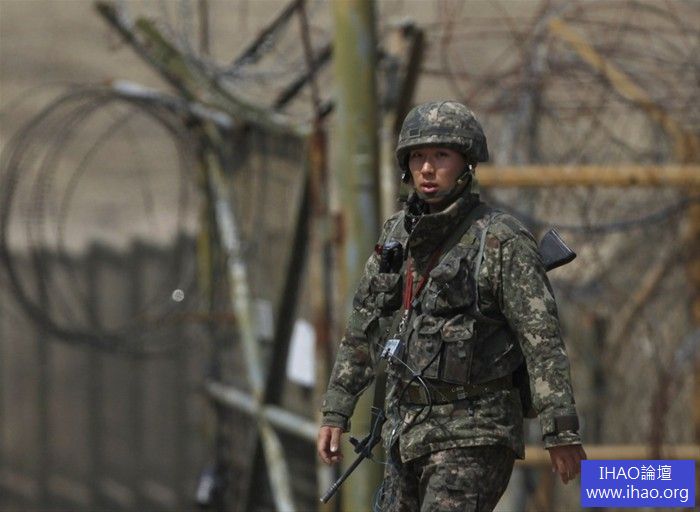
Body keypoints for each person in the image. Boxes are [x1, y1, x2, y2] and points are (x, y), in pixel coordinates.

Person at [317, 101, 586, 511]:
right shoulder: (397, 235)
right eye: (418, 157)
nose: (427, 169)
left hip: (475, 432)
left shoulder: (500, 239)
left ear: (466, 163)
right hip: (406, 431)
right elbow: (364, 327)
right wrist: (336, 411)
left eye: (441, 155)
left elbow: (542, 342)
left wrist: (560, 431)